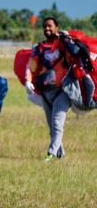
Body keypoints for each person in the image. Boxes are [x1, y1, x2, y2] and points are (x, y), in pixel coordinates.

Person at [26, 17, 81, 161]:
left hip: (62, 92)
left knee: (57, 125)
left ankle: (50, 154)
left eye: (50, 26)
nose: (47, 29)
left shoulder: (64, 44)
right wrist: (28, 80)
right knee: (52, 129)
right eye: (44, 26)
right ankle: (61, 156)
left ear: (56, 27)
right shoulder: (40, 48)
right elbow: (31, 66)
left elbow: (75, 52)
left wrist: (66, 37)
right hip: (45, 93)